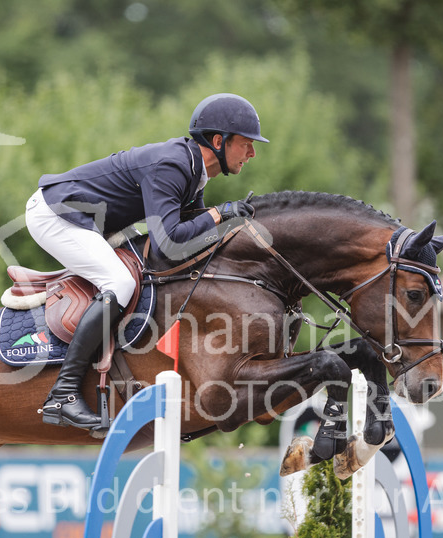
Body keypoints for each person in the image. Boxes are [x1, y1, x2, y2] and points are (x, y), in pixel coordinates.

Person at [25, 93, 269, 432]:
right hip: (56, 214)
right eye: (246, 143)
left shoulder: (193, 171)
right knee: (120, 283)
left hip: (86, 218)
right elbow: (169, 242)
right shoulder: (173, 164)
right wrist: (218, 213)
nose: (253, 152)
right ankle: (63, 393)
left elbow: (189, 237)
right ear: (218, 141)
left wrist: (228, 222)